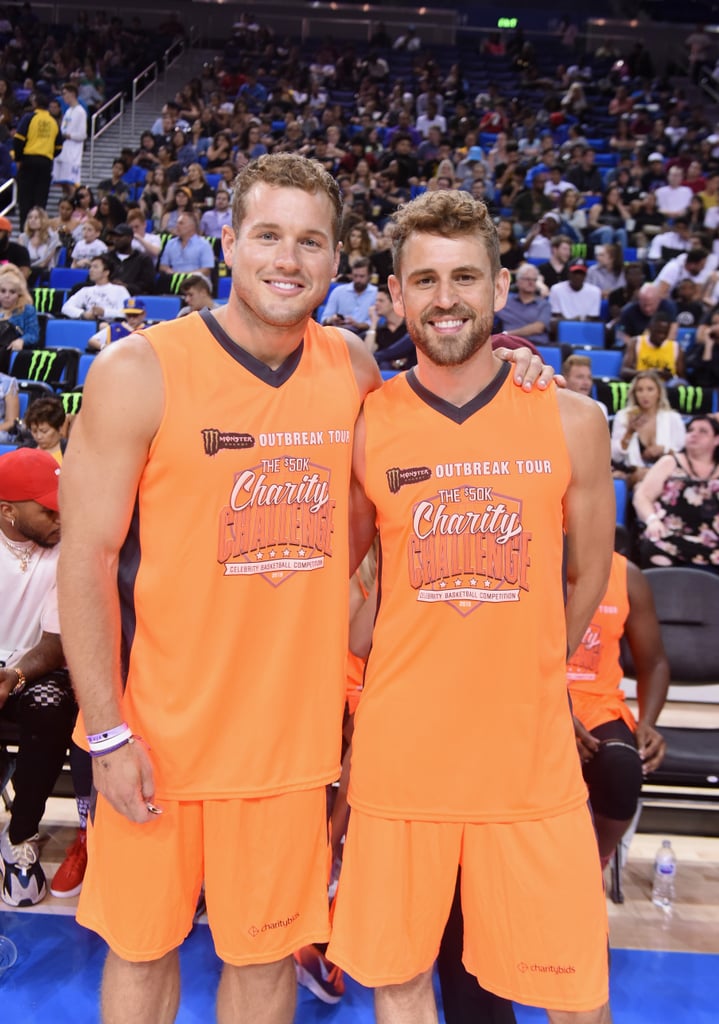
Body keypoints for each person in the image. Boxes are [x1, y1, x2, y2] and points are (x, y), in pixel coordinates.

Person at [57, 152, 552, 1024]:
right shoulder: (139, 372)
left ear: (335, 264)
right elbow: (85, 560)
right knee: (141, 952)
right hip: (158, 737)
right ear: (229, 243)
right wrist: (105, 733)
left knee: (262, 961)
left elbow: (445, 411)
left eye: (310, 241)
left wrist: (520, 369)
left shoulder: (354, 371)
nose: (288, 258)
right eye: (269, 235)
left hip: (288, 751)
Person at [326, 188, 615, 1023]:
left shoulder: (571, 420)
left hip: (527, 759)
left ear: (497, 288)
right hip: (398, 754)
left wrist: (527, 670)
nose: (443, 298)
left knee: (571, 990)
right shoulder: (365, 423)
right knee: (401, 975)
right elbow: (347, 570)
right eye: (423, 281)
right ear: (395, 296)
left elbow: (588, 575)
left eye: (463, 277)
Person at [0, 447, 76, 907]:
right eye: (47, 509)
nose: (59, 517)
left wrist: (14, 674)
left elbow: (56, 641)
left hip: (32, 669)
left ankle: (21, 834)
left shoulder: (69, 548)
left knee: (54, 706)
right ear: (7, 509)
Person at [569, 551, 668, 869]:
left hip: (599, 705)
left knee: (621, 767)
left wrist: (647, 724)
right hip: (532, 701)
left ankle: (593, 865)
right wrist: (554, 714)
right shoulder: (527, 560)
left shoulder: (627, 576)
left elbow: (653, 662)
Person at [633, 415, 719, 573]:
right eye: (691, 430)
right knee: (652, 548)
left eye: (703, 431)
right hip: (669, 535)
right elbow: (642, 497)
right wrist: (652, 520)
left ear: (716, 439)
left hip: (713, 541)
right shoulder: (669, 462)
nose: (694, 434)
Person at [611, 371, 686, 484]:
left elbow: (683, 455)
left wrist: (664, 449)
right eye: (640, 390)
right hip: (633, 475)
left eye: (650, 389)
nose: (644, 395)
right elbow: (616, 457)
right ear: (634, 394)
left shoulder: (673, 418)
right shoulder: (623, 416)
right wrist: (629, 432)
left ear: (659, 393)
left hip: (668, 474)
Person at [13, 92, 63, 225]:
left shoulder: (29, 117)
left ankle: (25, 230)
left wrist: (18, 158)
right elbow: (59, 147)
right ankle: (39, 230)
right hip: (45, 162)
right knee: (40, 200)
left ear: (35, 104)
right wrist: (49, 155)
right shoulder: (54, 122)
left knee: (25, 198)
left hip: (28, 160)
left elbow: (18, 139)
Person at [61, 254, 131, 321]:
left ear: (106, 272)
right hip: (90, 324)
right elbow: (66, 307)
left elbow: (128, 312)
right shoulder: (85, 290)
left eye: (95, 267)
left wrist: (104, 312)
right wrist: (84, 314)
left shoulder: (119, 290)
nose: (91, 270)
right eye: (90, 267)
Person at [620, 312, 686, 382]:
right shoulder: (636, 342)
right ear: (650, 329)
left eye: (665, 333)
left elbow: (682, 378)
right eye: (658, 332)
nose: (661, 336)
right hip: (642, 384)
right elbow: (624, 371)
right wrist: (647, 374)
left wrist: (670, 376)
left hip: (667, 388)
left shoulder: (675, 347)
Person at [496, 263, 552, 346]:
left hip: (537, 345)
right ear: (518, 281)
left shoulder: (544, 304)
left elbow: (539, 328)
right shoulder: (506, 301)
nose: (531, 282)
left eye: (534, 280)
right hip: (510, 345)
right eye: (527, 279)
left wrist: (507, 334)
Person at [321, 257, 378, 335]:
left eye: (362, 276)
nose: (358, 280)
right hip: (339, 333)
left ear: (369, 276)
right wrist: (332, 319)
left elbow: (378, 322)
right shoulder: (338, 291)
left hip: (364, 334)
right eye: (355, 276)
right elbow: (324, 319)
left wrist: (357, 325)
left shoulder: (376, 294)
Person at [53, 82, 87, 196]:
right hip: (63, 151)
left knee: (71, 183)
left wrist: (69, 135)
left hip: (73, 152)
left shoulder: (80, 111)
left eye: (65, 94)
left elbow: (83, 135)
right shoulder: (68, 111)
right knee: (63, 184)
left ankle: (75, 207)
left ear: (72, 93)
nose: (63, 97)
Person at [158, 211, 215, 278]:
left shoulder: (204, 244)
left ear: (191, 226)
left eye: (181, 223)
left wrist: (185, 275)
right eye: (177, 223)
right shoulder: (170, 243)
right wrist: (169, 271)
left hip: (196, 280)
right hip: (175, 279)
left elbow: (206, 270)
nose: (177, 226)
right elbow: (163, 266)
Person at [106, 223, 157, 296]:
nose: (116, 239)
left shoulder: (143, 260)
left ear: (130, 238)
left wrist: (126, 287)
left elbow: (148, 286)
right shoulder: (106, 258)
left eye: (120, 236)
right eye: (114, 236)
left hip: (133, 298)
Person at [0, 264, 40, 350]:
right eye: (3, 291)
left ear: (19, 294)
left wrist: (22, 340)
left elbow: (33, 335)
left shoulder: (27, 310)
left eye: (12, 292)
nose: (7, 295)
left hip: (15, 354)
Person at [562, 354, 608, 418]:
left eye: (589, 377)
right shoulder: (557, 407)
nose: (586, 383)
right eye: (580, 377)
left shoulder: (599, 408)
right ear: (565, 379)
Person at [25, 395, 66, 464]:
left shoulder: (70, 451)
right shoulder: (24, 450)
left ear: (59, 428)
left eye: (44, 431)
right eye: (34, 431)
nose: (39, 436)